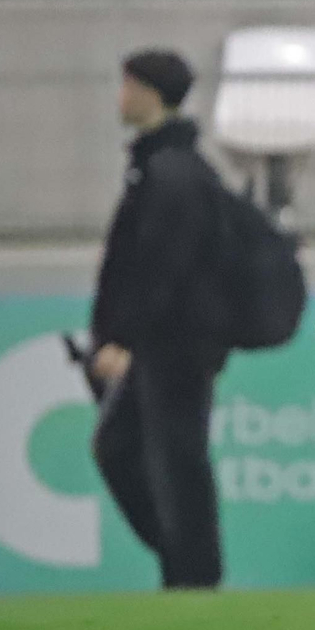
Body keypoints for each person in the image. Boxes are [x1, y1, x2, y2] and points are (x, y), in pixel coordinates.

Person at [89, 49, 232, 589]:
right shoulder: (161, 165)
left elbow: (161, 267)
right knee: (135, 451)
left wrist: (126, 338)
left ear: (150, 92)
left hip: (172, 346)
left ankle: (193, 573)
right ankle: (186, 566)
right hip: (164, 344)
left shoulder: (171, 172)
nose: (121, 97)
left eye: (128, 85)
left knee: (175, 461)